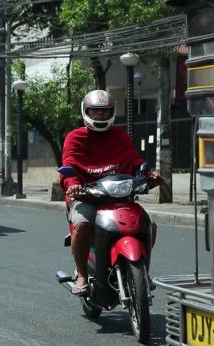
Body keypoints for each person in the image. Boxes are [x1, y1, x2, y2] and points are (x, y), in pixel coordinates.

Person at [60, 90, 163, 295]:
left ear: (112, 113)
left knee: (146, 225)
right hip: (85, 196)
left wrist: (149, 173)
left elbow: (134, 160)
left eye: (105, 111)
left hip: (118, 195)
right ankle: (81, 274)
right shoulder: (75, 137)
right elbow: (69, 165)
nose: (100, 116)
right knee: (82, 224)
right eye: (95, 112)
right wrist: (73, 185)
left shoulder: (120, 136)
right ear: (86, 112)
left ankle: (142, 272)